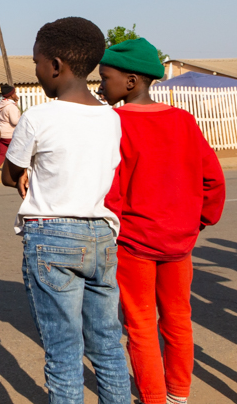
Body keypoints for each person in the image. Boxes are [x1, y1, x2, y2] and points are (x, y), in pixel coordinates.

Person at [2, 17, 131, 404]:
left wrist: (26, 175)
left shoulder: (39, 117)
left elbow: (11, 174)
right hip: (101, 235)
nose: (37, 70)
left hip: (52, 236)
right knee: (107, 344)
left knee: (63, 350)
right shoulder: (111, 118)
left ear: (56, 65)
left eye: (38, 62)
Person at [99, 38, 226, 404]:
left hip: (134, 244)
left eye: (106, 77)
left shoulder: (115, 124)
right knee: (178, 319)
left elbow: (112, 189)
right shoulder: (183, 121)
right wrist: (197, 222)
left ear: (132, 81)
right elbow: (212, 180)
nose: (101, 85)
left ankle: (153, 397)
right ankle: (178, 396)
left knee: (139, 324)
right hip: (180, 244)